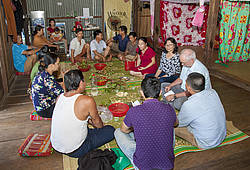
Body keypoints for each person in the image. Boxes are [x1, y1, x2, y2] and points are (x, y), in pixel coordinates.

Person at [115, 77, 177, 170]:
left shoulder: (134, 111)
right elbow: (176, 124)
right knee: (169, 124)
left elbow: (124, 130)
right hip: (166, 163)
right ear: (160, 92)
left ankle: (135, 160)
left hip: (143, 165)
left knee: (118, 132)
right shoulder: (169, 108)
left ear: (141, 92)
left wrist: (137, 126)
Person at [51, 69, 115, 158]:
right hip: (75, 150)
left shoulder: (60, 97)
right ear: (81, 83)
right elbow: (98, 124)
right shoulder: (87, 100)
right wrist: (99, 126)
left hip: (57, 145)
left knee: (86, 127)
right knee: (110, 130)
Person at [175, 72, 226, 149]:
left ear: (188, 88)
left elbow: (178, 123)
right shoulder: (213, 92)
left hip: (206, 142)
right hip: (221, 135)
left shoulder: (189, 104)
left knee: (170, 125)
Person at [31, 53, 64, 118]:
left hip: (40, 106)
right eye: (57, 63)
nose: (59, 65)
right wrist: (65, 79)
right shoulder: (48, 78)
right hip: (45, 110)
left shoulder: (42, 73)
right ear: (51, 66)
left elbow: (53, 86)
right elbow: (63, 93)